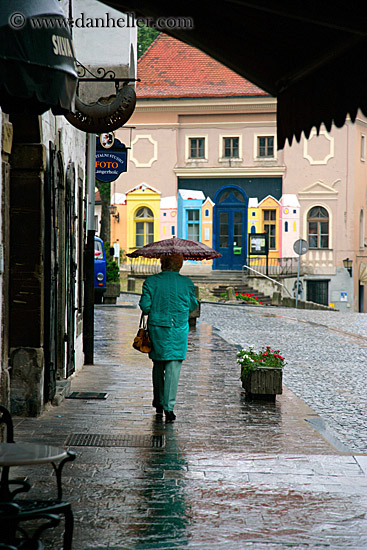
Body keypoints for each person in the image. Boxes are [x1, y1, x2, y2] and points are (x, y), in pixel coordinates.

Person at [139, 254, 198, 422]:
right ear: (179, 265)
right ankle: (169, 407)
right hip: (178, 328)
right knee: (173, 367)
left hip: (157, 328)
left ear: (162, 263)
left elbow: (145, 306)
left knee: (158, 364)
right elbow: (193, 305)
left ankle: (158, 401)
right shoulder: (186, 283)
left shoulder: (150, 281)